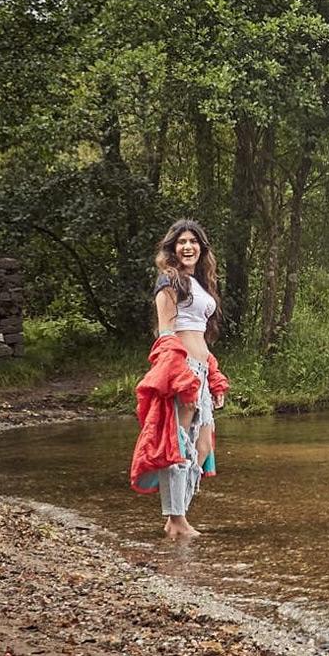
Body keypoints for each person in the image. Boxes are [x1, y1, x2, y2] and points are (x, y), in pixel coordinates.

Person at [130, 219, 229, 538]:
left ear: (202, 248)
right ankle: (176, 519)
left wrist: (213, 376)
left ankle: (178, 515)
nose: (188, 247)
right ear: (172, 248)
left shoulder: (198, 282)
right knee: (178, 443)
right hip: (182, 369)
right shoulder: (169, 280)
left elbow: (200, 335)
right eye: (182, 242)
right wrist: (181, 377)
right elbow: (167, 333)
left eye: (194, 241)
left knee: (202, 446)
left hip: (201, 370)